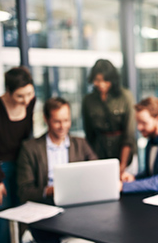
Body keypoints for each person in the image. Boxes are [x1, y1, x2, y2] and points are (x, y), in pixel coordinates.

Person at [17, 97, 97, 243]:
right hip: (44, 211)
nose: (63, 126)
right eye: (57, 121)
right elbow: (24, 191)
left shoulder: (80, 144)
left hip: (75, 210)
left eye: (66, 120)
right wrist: (51, 190)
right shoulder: (30, 148)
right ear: (46, 119)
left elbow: (97, 173)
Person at [0, 66, 35, 243]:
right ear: (8, 91)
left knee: (22, 220)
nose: (26, 100)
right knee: (3, 222)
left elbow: (29, 139)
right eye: (20, 96)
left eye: (29, 94)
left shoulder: (30, 102)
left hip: (22, 167)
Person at [82, 59, 137, 175]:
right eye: (97, 80)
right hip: (100, 154)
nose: (101, 84)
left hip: (124, 155)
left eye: (105, 80)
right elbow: (89, 135)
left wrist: (122, 166)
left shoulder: (125, 96)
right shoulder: (88, 100)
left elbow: (129, 134)